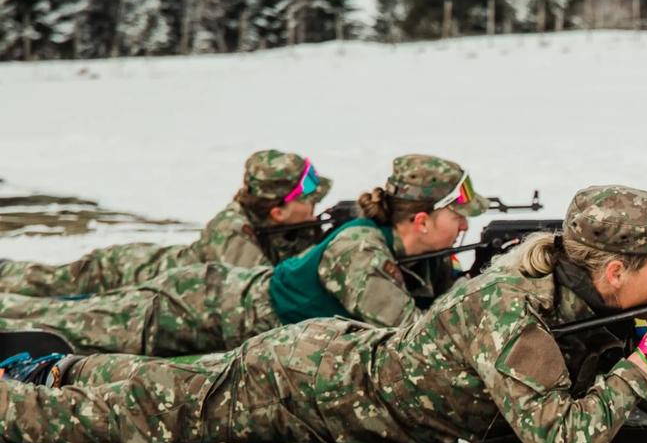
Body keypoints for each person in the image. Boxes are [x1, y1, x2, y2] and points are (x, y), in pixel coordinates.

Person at [0, 185, 647, 443]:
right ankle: (31, 392)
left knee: (153, 391)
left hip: (338, 367)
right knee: (148, 407)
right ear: (614, 271)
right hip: (305, 385)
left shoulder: (591, 311)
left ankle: (53, 370)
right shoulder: (511, 312)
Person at [0, 155, 487, 356]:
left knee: (59, 313)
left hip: (217, 305)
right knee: (51, 316)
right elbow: (408, 335)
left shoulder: (402, 250)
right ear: (420, 221)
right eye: (458, 215)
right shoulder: (359, 249)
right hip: (191, 307)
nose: (466, 225)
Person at [0, 150, 332, 297]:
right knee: (47, 283)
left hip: (155, 274)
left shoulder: (270, 224)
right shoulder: (231, 231)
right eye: (309, 201)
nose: (316, 208)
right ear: (277, 212)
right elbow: (263, 291)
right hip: (126, 273)